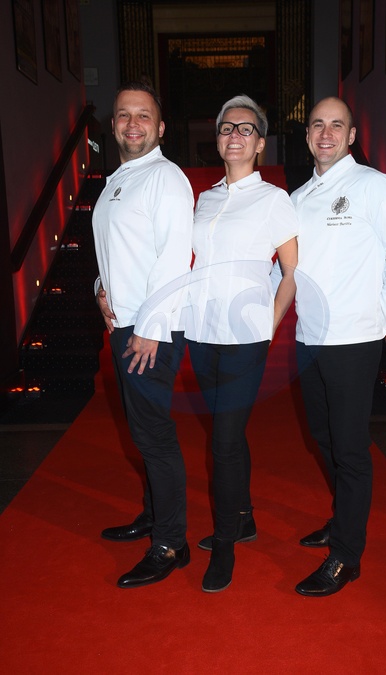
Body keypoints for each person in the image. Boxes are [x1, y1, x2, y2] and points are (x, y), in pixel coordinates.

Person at [290, 96, 386, 597]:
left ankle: (346, 555)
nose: (325, 133)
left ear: (350, 136)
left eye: (336, 125)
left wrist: (382, 315)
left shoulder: (374, 186)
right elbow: (286, 268)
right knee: (322, 438)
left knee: (348, 447)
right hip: (308, 339)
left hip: (354, 340)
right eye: (317, 125)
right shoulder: (298, 197)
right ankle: (342, 517)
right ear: (308, 135)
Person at [184, 95, 298, 592]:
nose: (235, 134)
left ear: (260, 143)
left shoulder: (274, 200)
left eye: (246, 128)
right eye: (227, 127)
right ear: (217, 138)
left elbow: (291, 273)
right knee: (226, 433)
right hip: (200, 332)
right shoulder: (204, 199)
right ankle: (245, 516)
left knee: (224, 443)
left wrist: (268, 324)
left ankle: (226, 543)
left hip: (244, 336)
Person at [92, 81, 194, 588]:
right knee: (142, 432)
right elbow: (115, 250)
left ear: (160, 127)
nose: (133, 124)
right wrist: (99, 288)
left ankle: (172, 543)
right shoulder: (117, 179)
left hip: (150, 328)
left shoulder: (165, 178)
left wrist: (151, 328)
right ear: (113, 125)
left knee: (153, 436)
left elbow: (174, 256)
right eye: (124, 115)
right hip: (125, 322)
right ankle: (155, 516)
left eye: (143, 115)